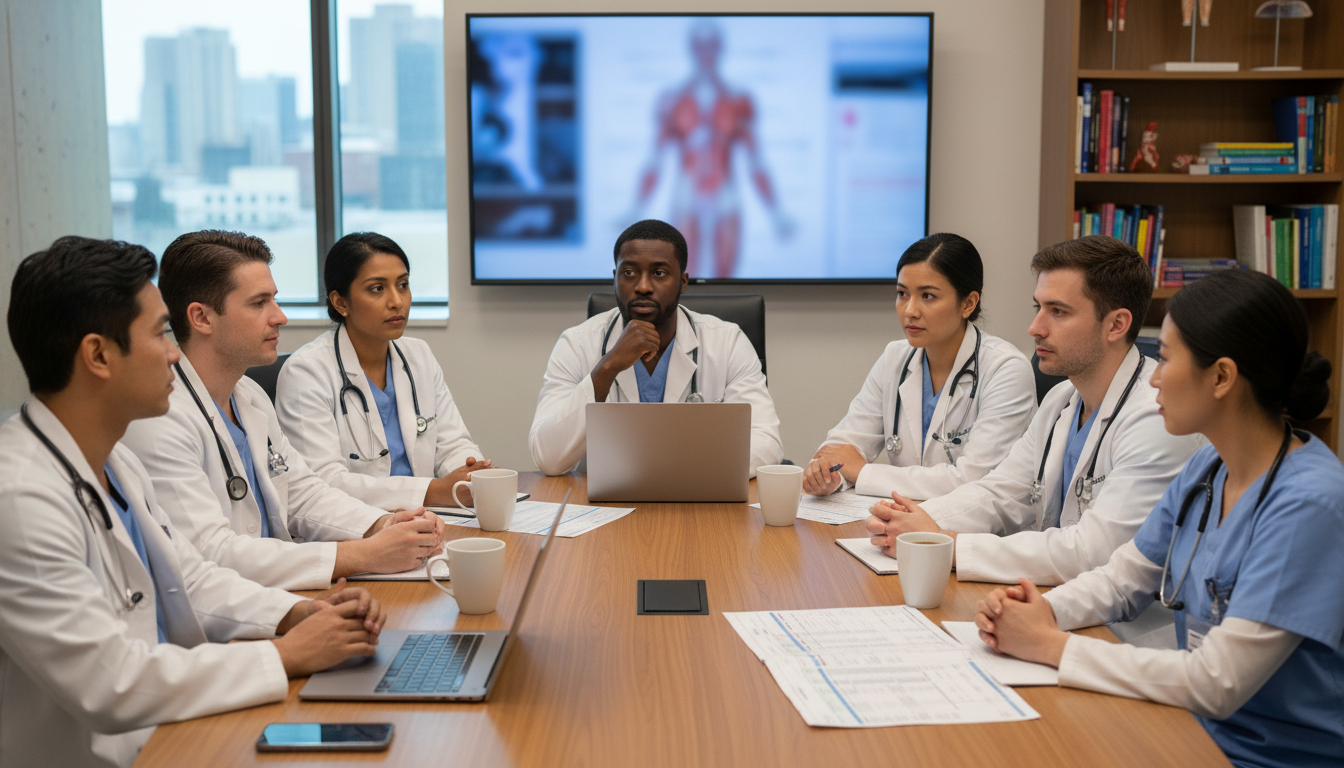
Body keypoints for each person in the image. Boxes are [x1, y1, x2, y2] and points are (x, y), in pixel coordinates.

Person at [0, 236, 387, 767]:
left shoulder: (115, 463)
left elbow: (193, 577)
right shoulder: (21, 499)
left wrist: (301, 612)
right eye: (160, 333)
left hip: (177, 725)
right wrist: (283, 654)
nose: (175, 351)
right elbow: (112, 684)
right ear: (97, 355)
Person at [974, 269, 1342, 768]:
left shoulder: (1309, 504)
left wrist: (1051, 645)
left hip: (1266, 755)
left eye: (1165, 359)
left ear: (1221, 377)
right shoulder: (1208, 469)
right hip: (1186, 725)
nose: (1152, 377)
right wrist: (1040, 612)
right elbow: (1124, 579)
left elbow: (1217, 682)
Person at [865, 235, 1201, 585]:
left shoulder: (1156, 419)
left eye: (1058, 311)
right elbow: (1000, 493)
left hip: (1127, 625)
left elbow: (1093, 552)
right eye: (1037, 308)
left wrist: (950, 547)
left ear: (1116, 325)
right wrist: (911, 522)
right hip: (1050, 595)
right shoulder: (1061, 401)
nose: (1035, 328)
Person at [121, 231, 442, 591]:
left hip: (279, 596)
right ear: (202, 318)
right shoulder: (158, 421)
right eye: (259, 303)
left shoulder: (250, 396)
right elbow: (212, 554)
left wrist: (384, 526)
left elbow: (304, 495)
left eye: (274, 300)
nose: (281, 317)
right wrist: (365, 554)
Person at [530, 219, 783, 476]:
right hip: (605, 505)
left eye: (659, 273)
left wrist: (675, 471)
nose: (643, 286)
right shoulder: (577, 343)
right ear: (614, 278)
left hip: (698, 497)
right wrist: (608, 367)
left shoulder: (727, 342)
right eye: (629, 272)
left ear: (683, 282)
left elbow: (766, 443)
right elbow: (548, 458)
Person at [803, 233, 1036, 500]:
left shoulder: (1005, 370)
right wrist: (828, 474)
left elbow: (974, 482)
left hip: (979, 534)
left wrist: (864, 473)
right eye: (902, 294)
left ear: (968, 303)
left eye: (927, 296)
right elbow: (846, 445)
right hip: (904, 524)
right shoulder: (896, 357)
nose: (910, 310)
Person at [276, 232, 491, 510]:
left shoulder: (418, 355)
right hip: (354, 531)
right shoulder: (306, 372)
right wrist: (432, 491)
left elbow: (452, 443)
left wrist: (471, 475)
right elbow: (323, 483)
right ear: (340, 302)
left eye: (402, 285)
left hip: (430, 519)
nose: (396, 301)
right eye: (377, 288)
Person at [624, 20, 792, 279]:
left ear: (720, 48)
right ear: (692, 49)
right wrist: (634, 209)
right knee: (679, 279)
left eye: (711, 46)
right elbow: (654, 162)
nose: (706, 54)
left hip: (725, 195)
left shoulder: (738, 101)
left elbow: (756, 163)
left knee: (726, 281)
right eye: (700, 46)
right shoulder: (672, 101)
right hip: (688, 195)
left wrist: (776, 212)